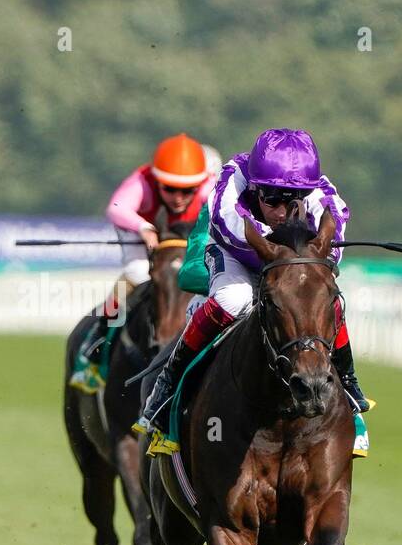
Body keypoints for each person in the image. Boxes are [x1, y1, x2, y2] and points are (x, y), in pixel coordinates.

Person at [134, 127, 370, 456]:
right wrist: (274, 243)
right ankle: (168, 382)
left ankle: (349, 385)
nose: (283, 209)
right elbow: (229, 222)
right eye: (271, 198)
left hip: (289, 257)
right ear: (255, 186)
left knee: (322, 297)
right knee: (235, 300)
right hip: (234, 254)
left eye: (292, 200)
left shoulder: (319, 189)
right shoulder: (233, 176)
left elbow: (336, 224)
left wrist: (314, 254)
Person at [68, 133, 212, 392]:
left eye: (187, 190)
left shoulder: (209, 188)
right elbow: (116, 208)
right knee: (137, 273)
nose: (178, 198)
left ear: (199, 184)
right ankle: (98, 337)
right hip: (138, 229)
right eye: (168, 188)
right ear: (157, 180)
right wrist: (143, 227)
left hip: (182, 239)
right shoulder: (141, 182)